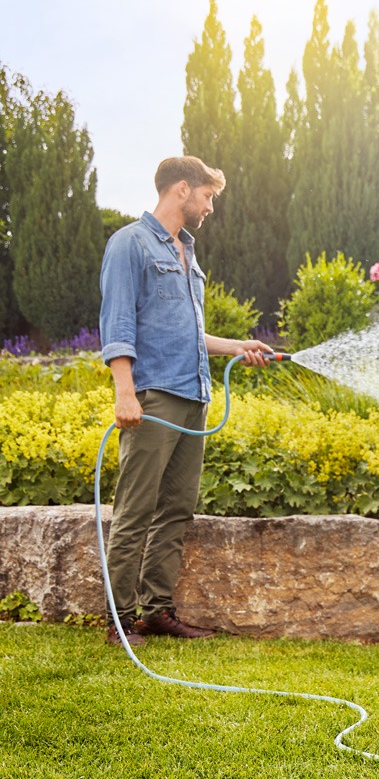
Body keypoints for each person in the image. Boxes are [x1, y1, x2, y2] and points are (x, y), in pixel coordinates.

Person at [99, 155, 272, 647]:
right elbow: (117, 324)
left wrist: (237, 345)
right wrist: (125, 393)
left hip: (193, 395)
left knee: (176, 510)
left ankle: (156, 612)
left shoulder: (187, 253)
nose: (210, 206)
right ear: (181, 189)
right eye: (207, 196)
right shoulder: (129, 244)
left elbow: (189, 332)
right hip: (154, 399)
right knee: (135, 510)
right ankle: (119, 619)